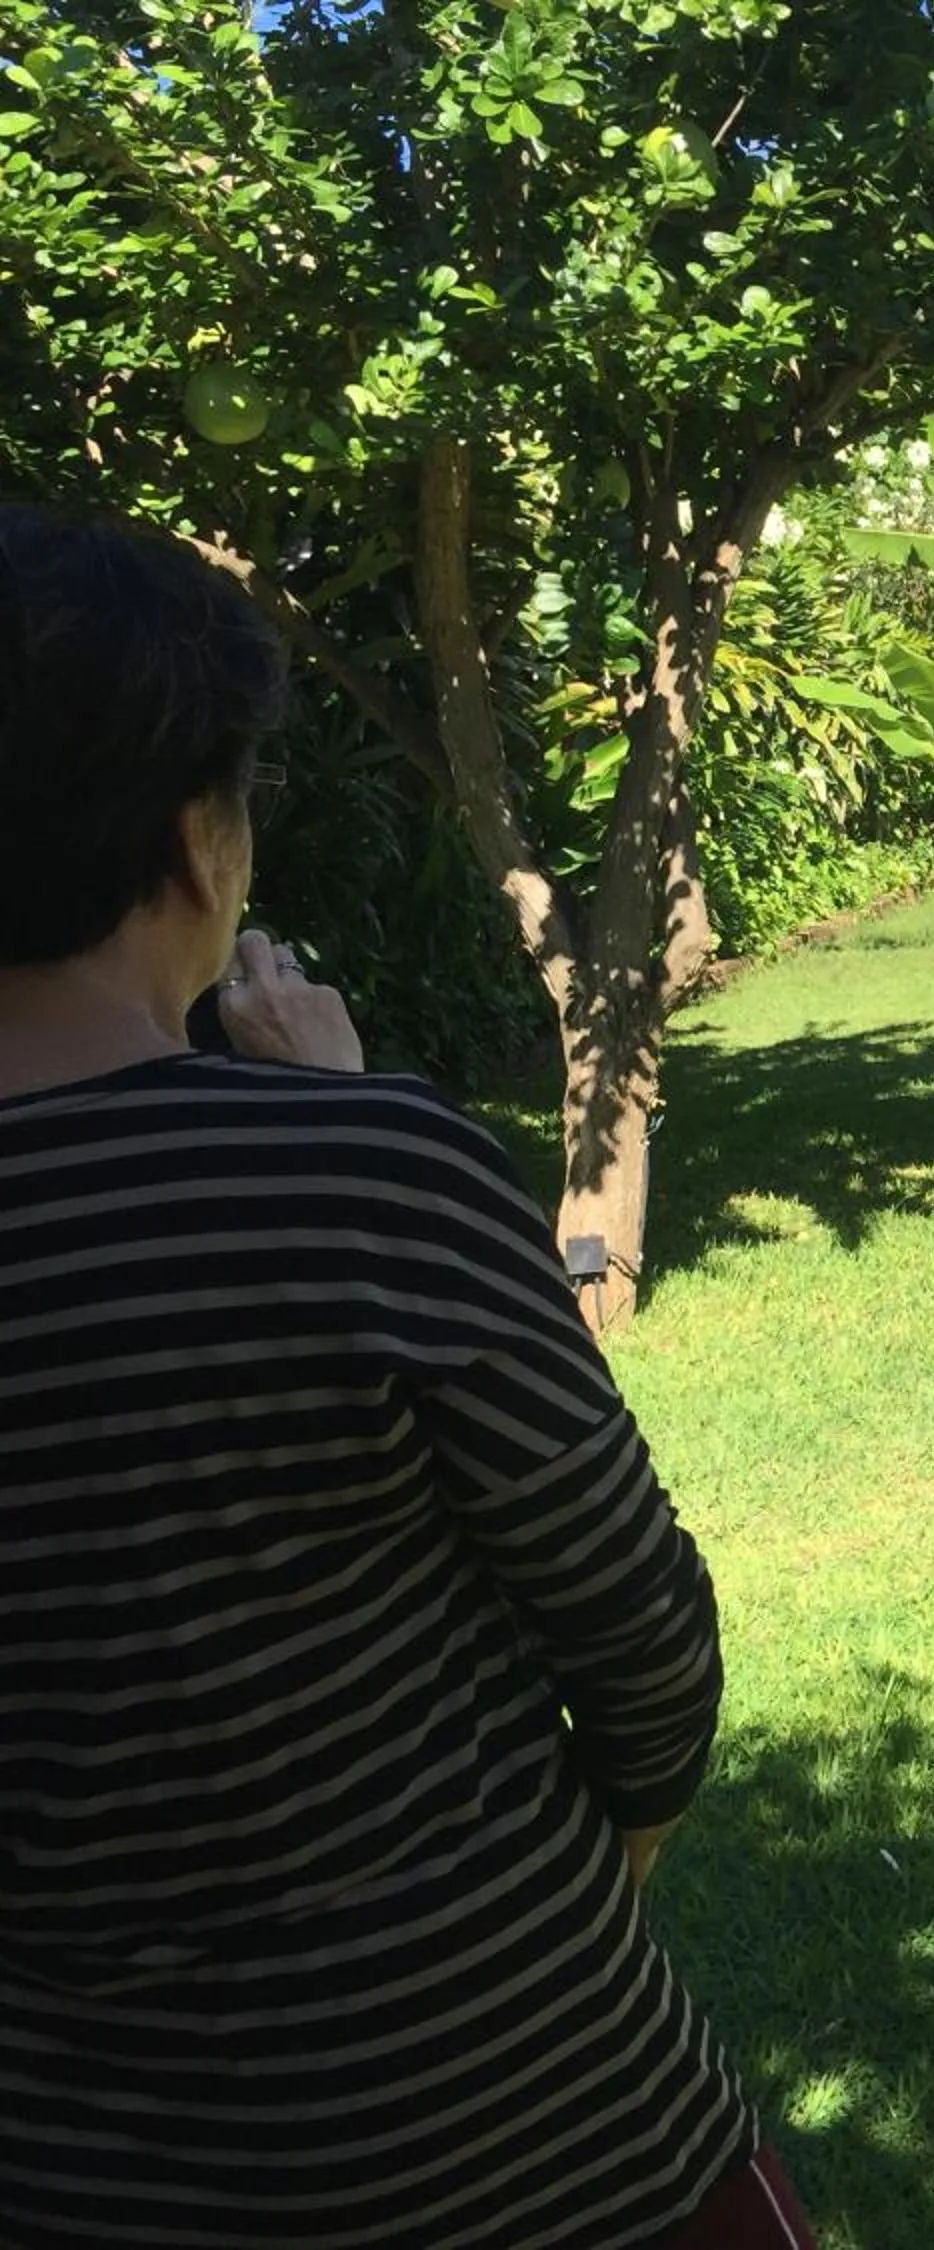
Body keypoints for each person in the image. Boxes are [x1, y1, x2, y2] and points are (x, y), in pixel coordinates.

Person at [0, 507, 813, 2249]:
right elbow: (642, 1633)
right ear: (192, 844)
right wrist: (337, 1110)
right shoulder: (367, 1176)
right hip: (543, 2127)